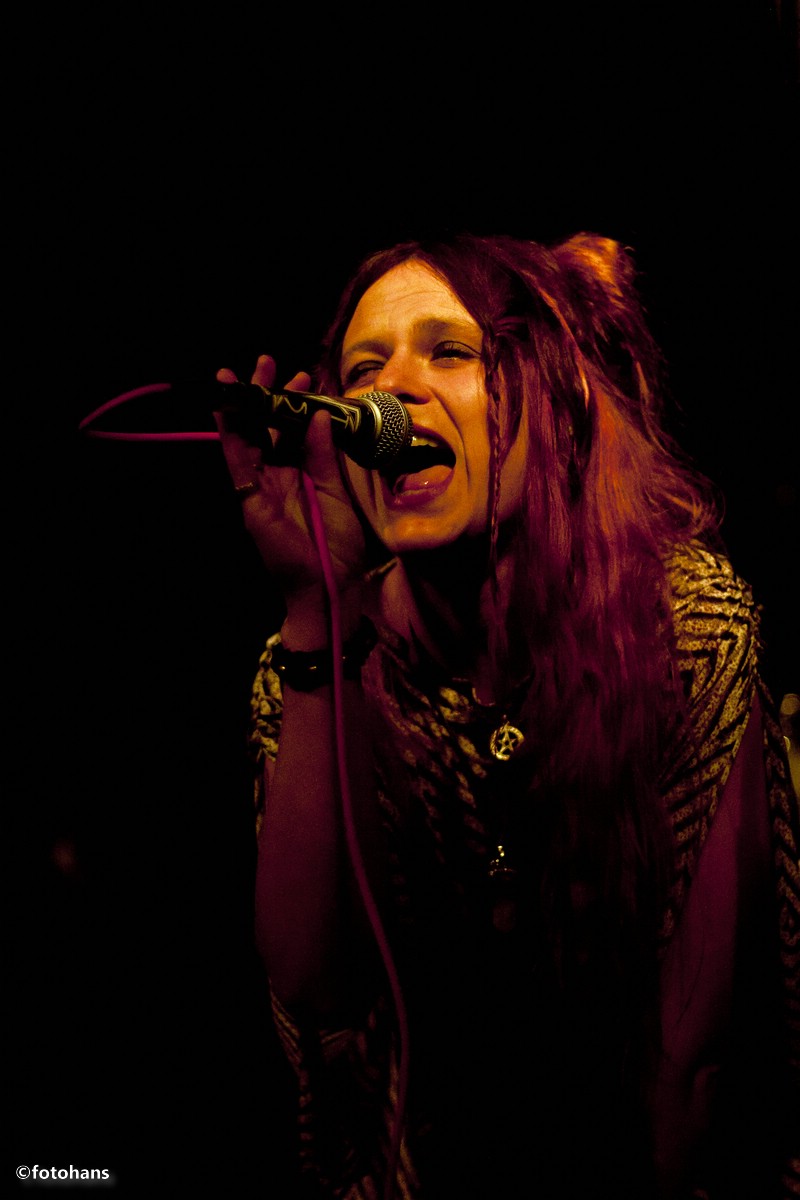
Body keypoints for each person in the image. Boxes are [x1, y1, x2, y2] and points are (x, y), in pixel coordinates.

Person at [213, 231, 799, 1200]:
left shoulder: (685, 622)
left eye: (448, 351)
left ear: (556, 403)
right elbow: (314, 987)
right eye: (363, 369)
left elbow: (691, 1070)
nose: (390, 392)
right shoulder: (315, 662)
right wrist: (317, 611)